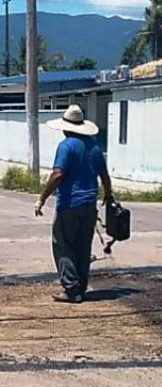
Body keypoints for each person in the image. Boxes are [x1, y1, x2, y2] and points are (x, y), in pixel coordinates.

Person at [35, 105, 113, 304]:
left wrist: (42, 198)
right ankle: (81, 288)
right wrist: (108, 195)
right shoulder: (94, 147)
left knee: (62, 245)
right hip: (89, 205)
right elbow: (104, 175)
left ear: (65, 127)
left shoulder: (66, 146)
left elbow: (58, 174)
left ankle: (71, 288)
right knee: (82, 246)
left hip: (70, 204)